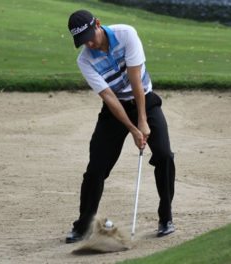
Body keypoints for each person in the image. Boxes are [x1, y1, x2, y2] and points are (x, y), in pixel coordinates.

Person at [65, 10, 176, 243]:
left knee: (164, 155)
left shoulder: (127, 34)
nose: (89, 43)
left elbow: (136, 80)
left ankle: (165, 218)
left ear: (98, 24)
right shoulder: (84, 60)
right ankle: (83, 224)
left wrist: (143, 120)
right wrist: (133, 129)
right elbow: (109, 97)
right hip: (115, 110)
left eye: (90, 35)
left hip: (144, 99)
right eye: (82, 41)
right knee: (96, 167)